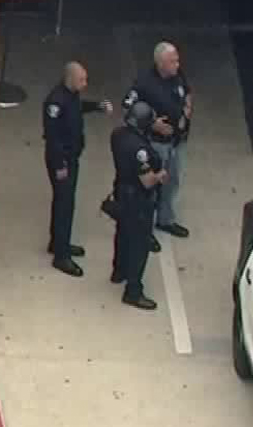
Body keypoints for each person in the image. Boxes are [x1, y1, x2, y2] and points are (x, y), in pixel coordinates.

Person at [41, 60, 110, 278]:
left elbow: (78, 108)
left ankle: (58, 242)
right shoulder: (55, 102)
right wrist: (60, 165)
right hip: (62, 161)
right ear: (69, 78)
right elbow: (52, 138)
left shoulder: (71, 96)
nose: (85, 83)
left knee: (64, 201)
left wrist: (97, 106)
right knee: (65, 204)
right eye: (82, 80)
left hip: (71, 158)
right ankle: (61, 256)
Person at [123, 41, 192, 239]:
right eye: (172, 61)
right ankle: (146, 228)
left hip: (177, 141)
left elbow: (187, 93)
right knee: (151, 186)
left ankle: (166, 220)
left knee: (173, 181)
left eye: (177, 60)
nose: (177, 64)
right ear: (160, 63)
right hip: (156, 144)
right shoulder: (144, 83)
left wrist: (186, 113)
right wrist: (152, 123)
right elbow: (127, 107)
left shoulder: (177, 75)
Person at [108, 101, 169, 311]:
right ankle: (133, 291)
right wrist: (160, 175)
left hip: (121, 192)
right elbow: (147, 180)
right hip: (138, 200)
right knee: (139, 245)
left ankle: (119, 271)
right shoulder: (140, 150)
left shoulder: (118, 135)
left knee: (122, 233)